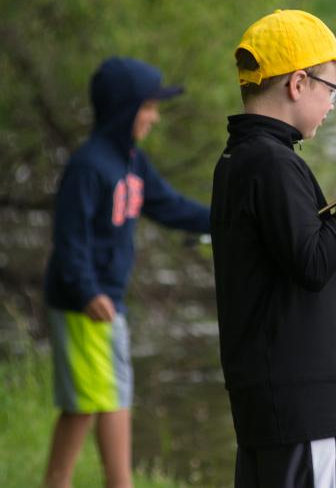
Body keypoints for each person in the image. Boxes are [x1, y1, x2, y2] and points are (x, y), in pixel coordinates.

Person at [210, 9, 336, 487]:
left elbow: (296, 249)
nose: (334, 103)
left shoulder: (240, 160)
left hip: (275, 406)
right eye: (333, 89)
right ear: (298, 84)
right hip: (306, 409)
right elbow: (313, 263)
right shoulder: (273, 164)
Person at [42, 57, 211, 488]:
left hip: (104, 303)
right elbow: (69, 241)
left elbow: (170, 206)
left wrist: (226, 218)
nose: (154, 117)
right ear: (124, 108)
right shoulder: (89, 166)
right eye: (148, 108)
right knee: (104, 400)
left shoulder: (131, 162)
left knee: (91, 402)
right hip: (87, 306)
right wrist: (85, 291)